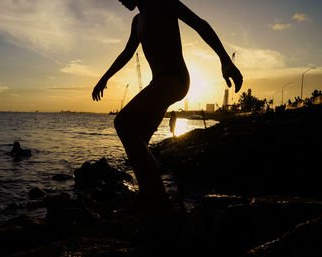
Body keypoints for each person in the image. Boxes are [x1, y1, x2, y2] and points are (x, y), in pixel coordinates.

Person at [92, 0, 242, 213]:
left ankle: (158, 201)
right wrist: (104, 78)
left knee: (123, 123)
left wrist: (225, 60)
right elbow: (127, 53)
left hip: (175, 79)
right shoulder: (136, 22)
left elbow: (200, 24)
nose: (119, 0)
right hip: (159, 83)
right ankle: (149, 197)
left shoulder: (163, 2)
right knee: (140, 140)